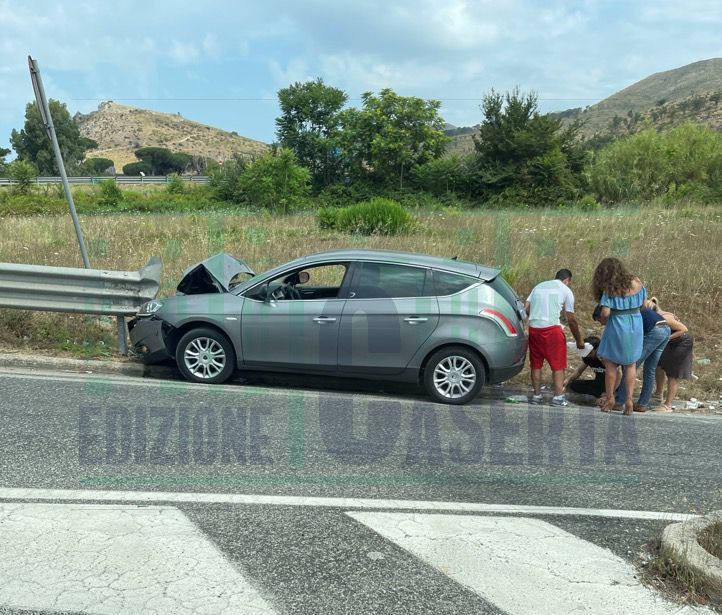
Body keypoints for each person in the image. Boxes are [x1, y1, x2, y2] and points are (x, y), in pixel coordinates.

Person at [592, 257, 646, 415]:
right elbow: (643, 305)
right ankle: (629, 401)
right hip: (636, 323)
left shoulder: (610, 289)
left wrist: (604, 318)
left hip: (617, 324)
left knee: (611, 365)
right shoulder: (637, 281)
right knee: (630, 364)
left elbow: (606, 312)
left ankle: (610, 399)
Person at [525, 268, 585, 406]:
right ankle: (558, 397)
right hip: (552, 331)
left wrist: (537, 315)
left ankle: (537, 396)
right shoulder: (565, 290)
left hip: (534, 329)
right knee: (557, 365)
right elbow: (571, 320)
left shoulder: (538, 286)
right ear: (567, 280)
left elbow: (526, 307)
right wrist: (579, 340)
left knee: (536, 364)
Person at [612, 298, 671, 412]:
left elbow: (630, 335)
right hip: (665, 329)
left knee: (631, 365)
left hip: (655, 330)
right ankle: (642, 403)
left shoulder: (630, 313)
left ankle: (619, 401)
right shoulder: (643, 310)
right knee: (650, 369)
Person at [650, 297, 694, 413]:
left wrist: (666, 338)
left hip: (682, 342)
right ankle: (658, 394)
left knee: (673, 373)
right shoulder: (657, 315)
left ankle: (668, 405)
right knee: (659, 365)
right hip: (672, 342)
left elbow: (684, 329)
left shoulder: (664, 318)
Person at [563, 335, 607, 403]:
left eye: (590, 353)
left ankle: (609, 397)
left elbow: (618, 375)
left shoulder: (604, 357)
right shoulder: (588, 358)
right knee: (574, 384)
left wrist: (609, 393)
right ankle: (599, 397)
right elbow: (579, 371)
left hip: (612, 386)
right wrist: (568, 380)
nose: (588, 355)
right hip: (599, 384)